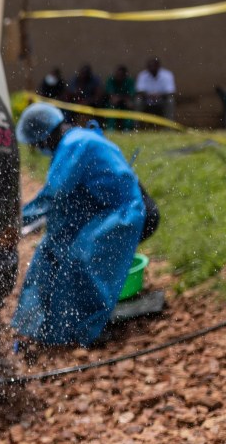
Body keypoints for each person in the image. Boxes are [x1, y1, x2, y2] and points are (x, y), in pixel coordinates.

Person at [11, 102, 146, 349]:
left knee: (79, 260)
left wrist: (14, 221)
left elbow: (53, 195)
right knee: (48, 253)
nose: (38, 148)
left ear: (45, 136)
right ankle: (34, 329)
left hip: (120, 212)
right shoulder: (69, 144)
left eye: (36, 143)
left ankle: (83, 333)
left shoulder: (75, 144)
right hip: (95, 207)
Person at [135, 57, 176, 121]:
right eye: (150, 66)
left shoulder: (167, 75)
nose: (152, 68)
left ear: (158, 66)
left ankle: (169, 126)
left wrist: (159, 95)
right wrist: (149, 96)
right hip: (146, 100)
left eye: (154, 66)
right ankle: (136, 126)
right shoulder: (142, 75)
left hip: (161, 100)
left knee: (170, 100)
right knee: (138, 100)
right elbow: (139, 91)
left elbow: (171, 92)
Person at [104, 64, 136, 131]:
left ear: (125, 75)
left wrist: (121, 99)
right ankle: (110, 128)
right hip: (114, 103)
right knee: (111, 107)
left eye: (121, 75)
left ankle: (127, 128)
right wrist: (117, 99)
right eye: (117, 75)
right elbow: (111, 95)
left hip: (125, 103)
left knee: (130, 107)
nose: (119, 77)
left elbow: (131, 95)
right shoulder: (111, 80)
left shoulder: (129, 81)